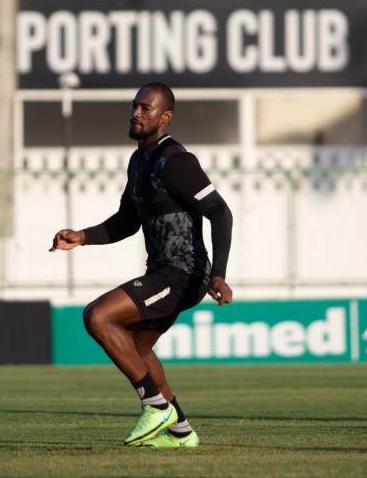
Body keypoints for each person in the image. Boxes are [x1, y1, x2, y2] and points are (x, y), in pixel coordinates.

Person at [49, 82, 233, 448]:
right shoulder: (139, 160)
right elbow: (126, 221)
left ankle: (156, 407)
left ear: (165, 117)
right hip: (163, 273)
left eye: (145, 108)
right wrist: (82, 236)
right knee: (139, 348)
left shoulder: (176, 160)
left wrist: (219, 274)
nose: (136, 113)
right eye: (134, 106)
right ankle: (181, 433)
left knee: (97, 317)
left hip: (184, 273)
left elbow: (220, 211)